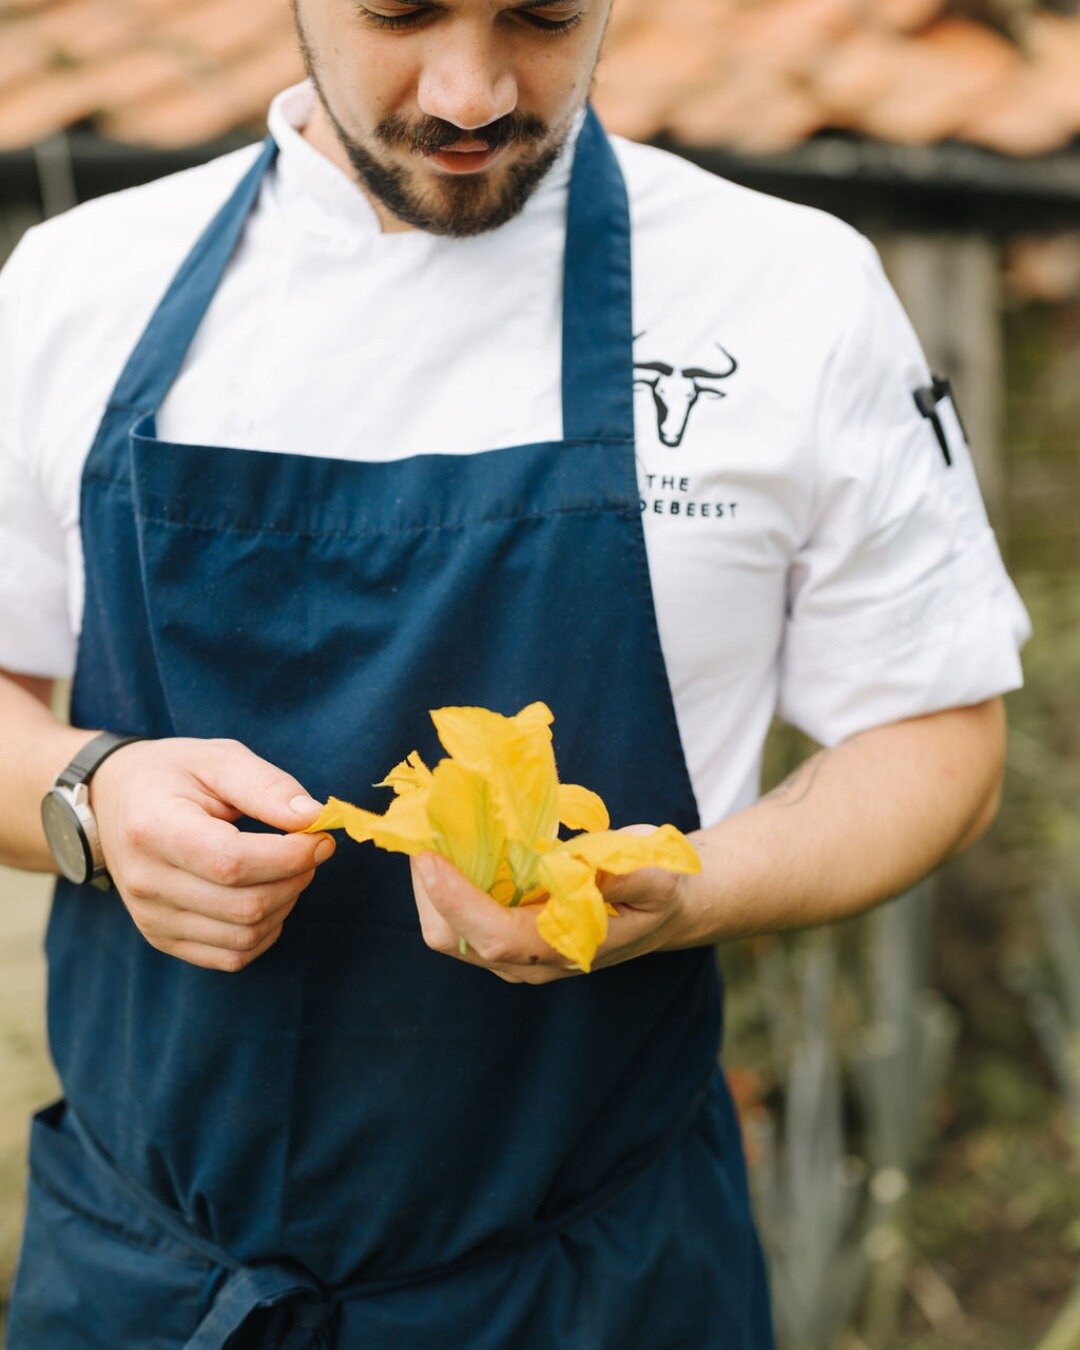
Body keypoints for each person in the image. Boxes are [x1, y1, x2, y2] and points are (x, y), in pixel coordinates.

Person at [0, 0, 1030, 1345]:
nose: (472, 89)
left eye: (542, 15)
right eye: (401, 11)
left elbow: (939, 739)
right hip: (155, 1286)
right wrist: (88, 791)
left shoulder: (789, 294)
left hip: (598, 1287)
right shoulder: (77, 285)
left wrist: (690, 889)